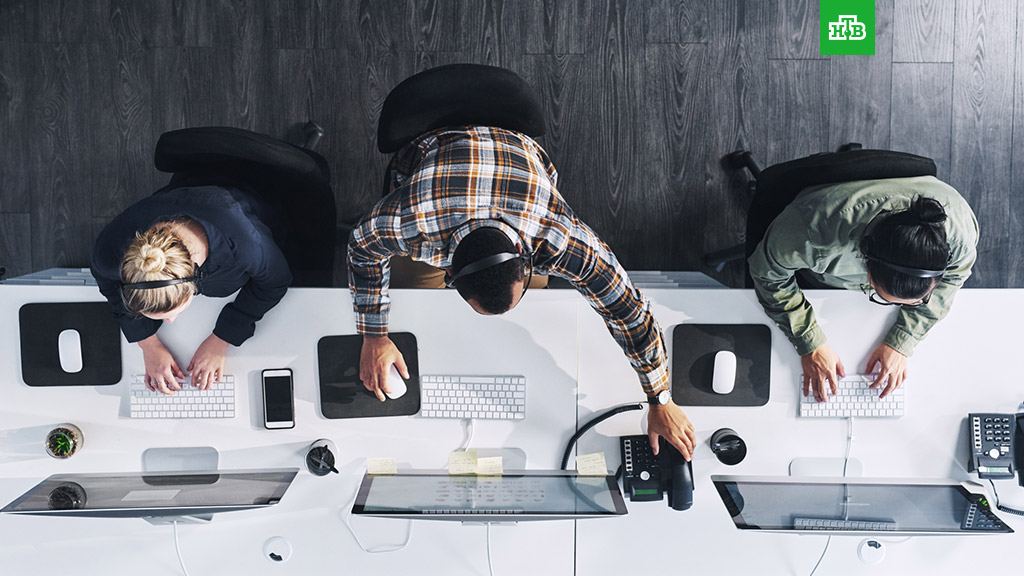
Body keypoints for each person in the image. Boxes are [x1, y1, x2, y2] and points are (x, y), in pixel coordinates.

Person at [347, 126, 696, 459]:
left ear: (523, 257)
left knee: (540, 310)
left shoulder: (556, 236)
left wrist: (660, 399)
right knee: (413, 304)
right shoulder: (413, 222)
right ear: (448, 272)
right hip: (435, 151)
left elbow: (628, 311)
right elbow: (361, 247)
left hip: (518, 171)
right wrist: (375, 336)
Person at [747, 176, 978, 403]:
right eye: (883, 297)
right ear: (866, 264)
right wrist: (810, 342)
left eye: (918, 300)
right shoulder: (811, 233)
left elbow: (954, 278)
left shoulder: (961, 235)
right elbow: (768, 274)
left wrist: (903, 339)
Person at [92, 185, 292, 395]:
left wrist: (222, 338)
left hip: (258, 194)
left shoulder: (245, 246)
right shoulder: (110, 252)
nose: (170, 321)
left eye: (173, 313)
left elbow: (275, 281)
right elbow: (107, 282)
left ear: (193, 282)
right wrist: (148, 344)